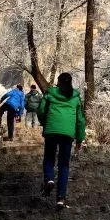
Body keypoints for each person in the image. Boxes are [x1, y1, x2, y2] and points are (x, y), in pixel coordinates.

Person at [38, 73, 86, 210]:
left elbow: (41, 110)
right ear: (70, 82)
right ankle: (61, 198)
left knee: (49, 158)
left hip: (51, 131)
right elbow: (80, 120)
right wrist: (79, 138)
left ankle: (49, 179)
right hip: (68, 134)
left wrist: (45, 123)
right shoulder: (76, 98)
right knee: (64, 164)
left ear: (58, 82)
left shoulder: (49, 94)